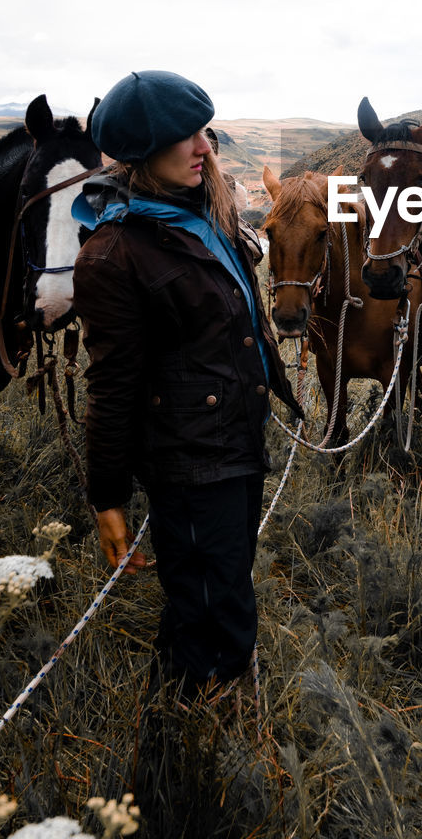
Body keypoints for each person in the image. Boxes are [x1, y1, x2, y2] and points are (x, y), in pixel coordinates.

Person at [72, 70, 302, 698]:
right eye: (186, 137)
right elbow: (112, 386)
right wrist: (108, 498)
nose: (205, 147)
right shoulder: (115, 253)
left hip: (236, 441)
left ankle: (194, 703)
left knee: (219, 587)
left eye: (205, 130)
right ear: (143, 155)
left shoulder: (202, 214)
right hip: (194, 462)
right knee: (214, 609)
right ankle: (204, 738)